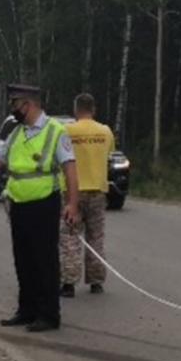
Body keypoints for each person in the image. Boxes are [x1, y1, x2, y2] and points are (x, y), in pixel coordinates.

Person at [0, 84, 79, 333]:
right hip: (18, 204)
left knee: (45, 260)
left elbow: (70, 168)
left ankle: (48, 314)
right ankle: (27, 309)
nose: (13, 109)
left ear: (27, 104)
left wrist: (73, 204)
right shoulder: (17, 133)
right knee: (23, 259)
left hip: (44, 203)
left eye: (15, 104)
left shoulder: (56, 131)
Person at [59, 93, 114, 297]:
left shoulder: (66, 131)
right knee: (96, 237)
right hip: (97, 191)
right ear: (94, 109)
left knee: (70, 236)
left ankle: (68, 283)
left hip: (72, 191)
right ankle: (96, 281)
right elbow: (108, 154)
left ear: (76, 109)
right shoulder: (105, 131)